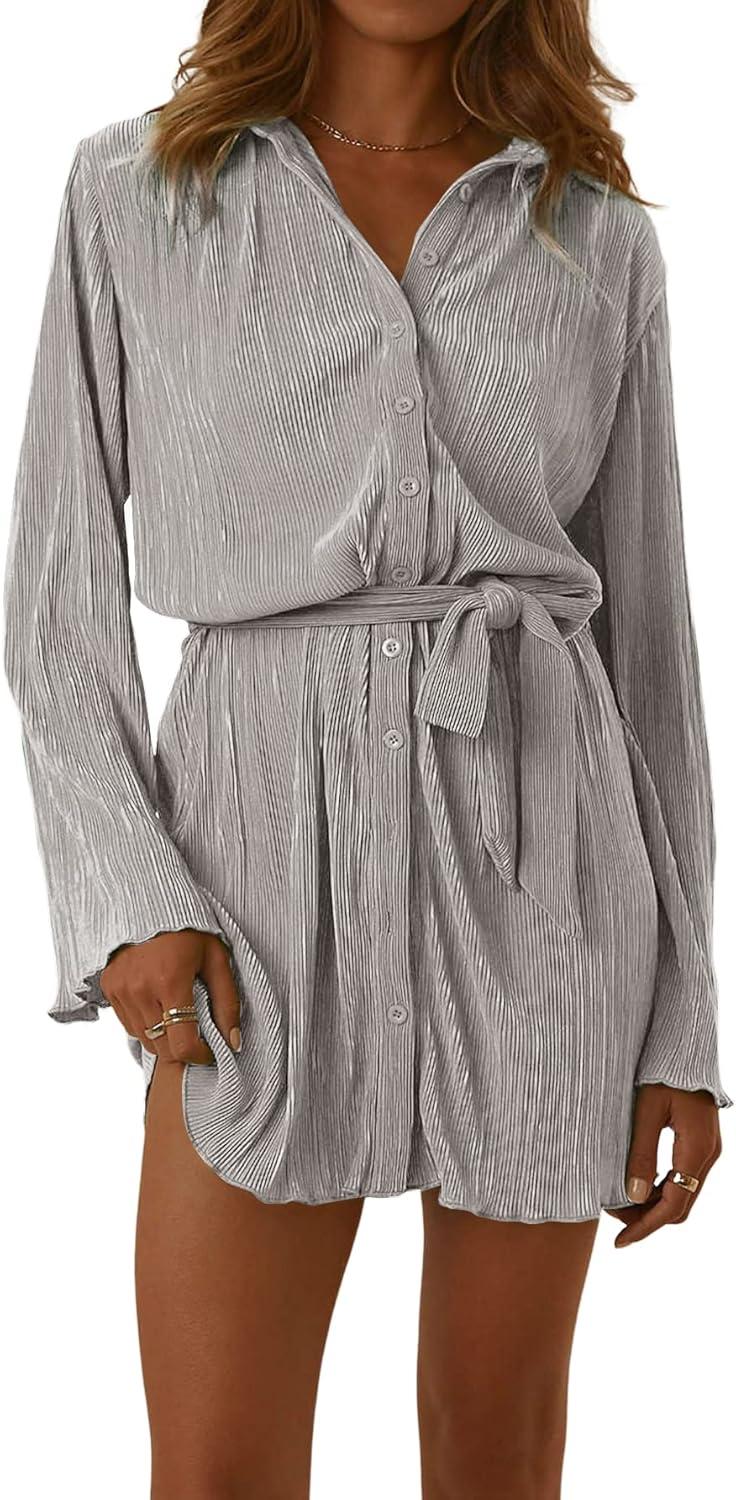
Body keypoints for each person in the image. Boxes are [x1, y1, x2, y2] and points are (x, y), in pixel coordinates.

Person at [4, 2, 730, 1497]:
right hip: (254, 874)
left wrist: (683, 1021)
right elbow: (58, 603)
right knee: (216, 1469)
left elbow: (652, 651)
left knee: (499, 1456)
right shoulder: (137, 193)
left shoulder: (593, 236)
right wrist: (130, 895)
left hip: (545, 866)